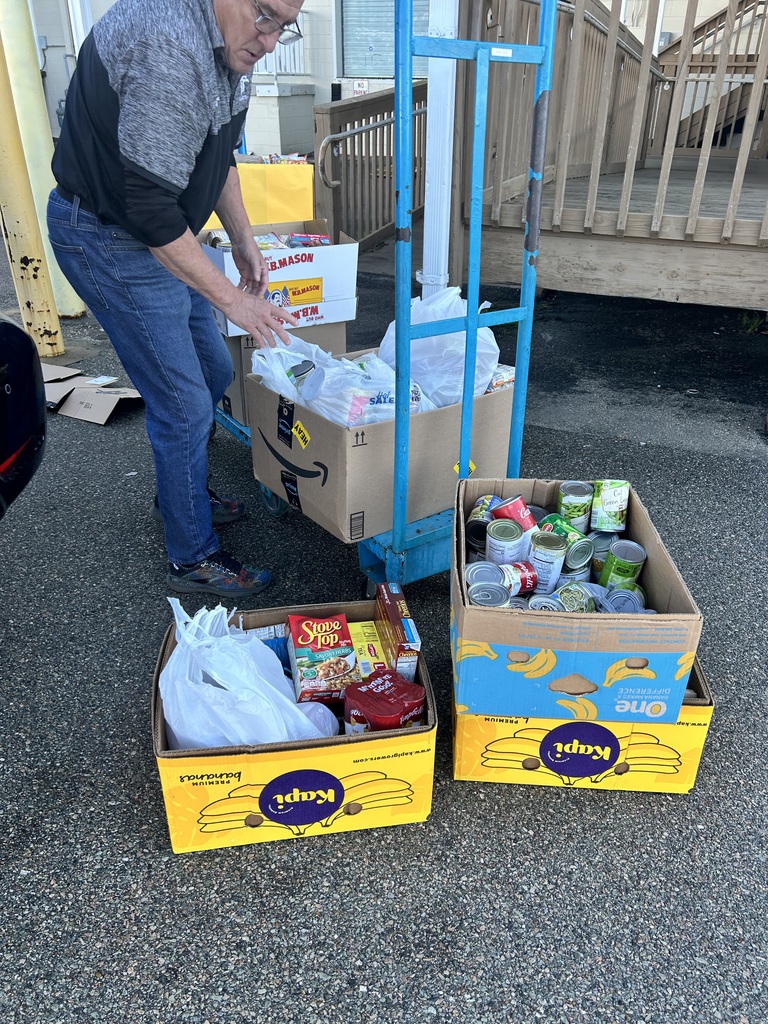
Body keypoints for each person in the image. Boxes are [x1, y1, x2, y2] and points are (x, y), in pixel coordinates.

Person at [46, 0, 305, 597]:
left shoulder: (230, 45)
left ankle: (181, 492)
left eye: (285, 25)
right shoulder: (168, 44)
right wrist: (233, 302)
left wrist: (244, 240)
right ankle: (191, 556)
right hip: (111, 236)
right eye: (265, 15)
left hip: (162, 234)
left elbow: (218, 156)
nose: (270, 40)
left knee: (212, 370)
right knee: (183, 401)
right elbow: (150, 211)